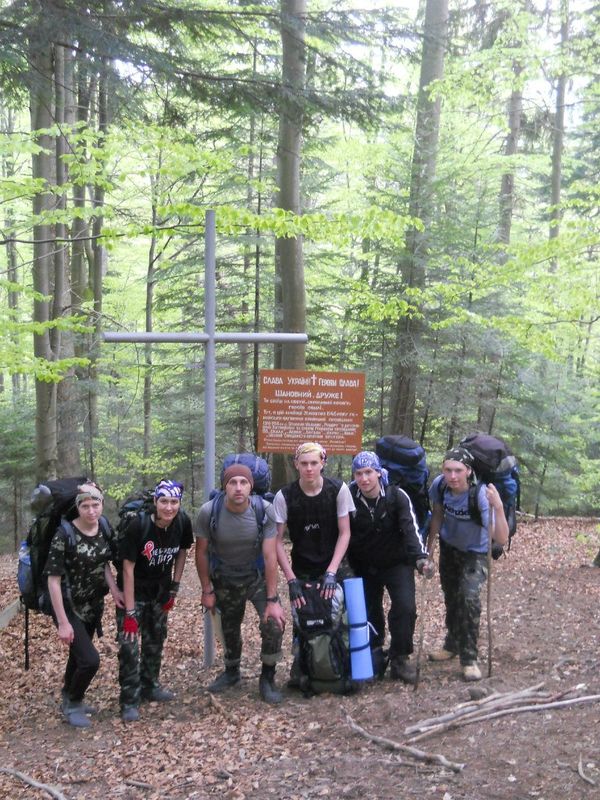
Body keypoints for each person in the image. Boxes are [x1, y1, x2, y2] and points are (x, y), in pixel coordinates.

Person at [195, 463, 286, 703]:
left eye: (243, 482)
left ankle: (268, 677)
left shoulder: (264, 511)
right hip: (225, 578)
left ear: (250, 487)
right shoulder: (209, 512)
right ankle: (232, 671)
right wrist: (207, 589)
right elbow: (201, 552)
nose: (238, 487)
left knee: (274, 623)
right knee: (230, 627)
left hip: (256, 577)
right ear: (224, 486)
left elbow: (270, 556)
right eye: (232, 482)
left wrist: (272, 599)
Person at [347, 451, 434, 684]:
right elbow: (340, 532)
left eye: (368, 472)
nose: (364, 478)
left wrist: (420, 558)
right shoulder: (348, 497)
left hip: (397, 563)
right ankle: (374, 654)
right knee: (368, 611)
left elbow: (410, 528)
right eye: (359, 473)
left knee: (405, 608)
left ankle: (399, 658)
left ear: (378, 472)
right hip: (363, 564)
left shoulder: (397, 496)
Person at [45, 482, 124, 728]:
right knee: (90, 660)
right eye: (85, 506)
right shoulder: (65, 534)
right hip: (68, 605)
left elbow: (104, 562)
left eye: (95, 504)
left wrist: (114, 590)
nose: (91, 511)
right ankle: (74, 702)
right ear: (77, 508)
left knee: (78, 655)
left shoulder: (104, 527)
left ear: (102, 504)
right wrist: (63, 622)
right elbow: (53, 580)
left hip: (93, 604)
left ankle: (68, 696)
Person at [427, 446, 509, 681]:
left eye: (458, 471)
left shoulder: (480, 495)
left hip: (476, 553)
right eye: (448, 470)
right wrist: (429, 552)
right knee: (452, 598)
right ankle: (451, 644)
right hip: (449, 548)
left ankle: (469, 659)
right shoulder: (440, 486)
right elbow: (437, 516)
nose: (452, 476)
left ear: (468, 471)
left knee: (469, 599)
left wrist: (498, 506)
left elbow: (501, 537)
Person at [117, 478, 193, 722]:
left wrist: (174, 588)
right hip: (134, 592)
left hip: (160, 591)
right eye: (164, 502)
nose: (169, 507)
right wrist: (130, 613)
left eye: (174, 502)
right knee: (129, 646)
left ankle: (150, 685)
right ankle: (129, 699)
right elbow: (127, 569)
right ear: (155, 502)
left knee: (155, 639)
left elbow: (182, 552)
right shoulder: (138, 526)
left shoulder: (182, 522)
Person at [273, 442, 355, 603]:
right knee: (307, 616)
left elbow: (345, 532)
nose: (309, 468)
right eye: (304, 463)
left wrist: (331, 571)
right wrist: (291, 579)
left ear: (322, 463)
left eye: (314, 463)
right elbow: (277, 540)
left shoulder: (338, 489)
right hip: (303, 569)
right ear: (296, 464)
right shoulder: (284, 496)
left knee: (352, 613)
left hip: (337, 563)